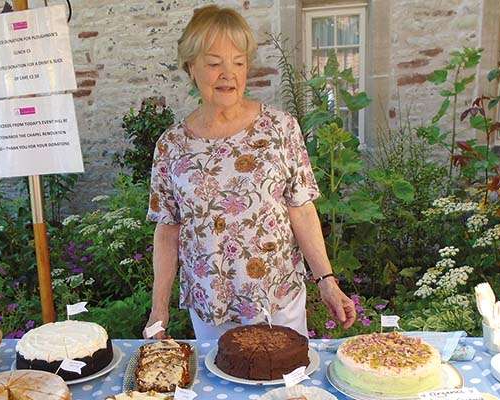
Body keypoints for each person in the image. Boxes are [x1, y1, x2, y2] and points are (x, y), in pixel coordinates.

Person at [144, 4, 356, 340]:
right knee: (220, 386)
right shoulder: (172, 146)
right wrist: (159, 311)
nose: (228, 73)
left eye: (238, 62)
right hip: (211, 311)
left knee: (285, 389)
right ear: (191, 68)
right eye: (214, 63)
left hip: (279, 302)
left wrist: (327, 281)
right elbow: (167, 231)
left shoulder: (280, 128)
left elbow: (300, 209)